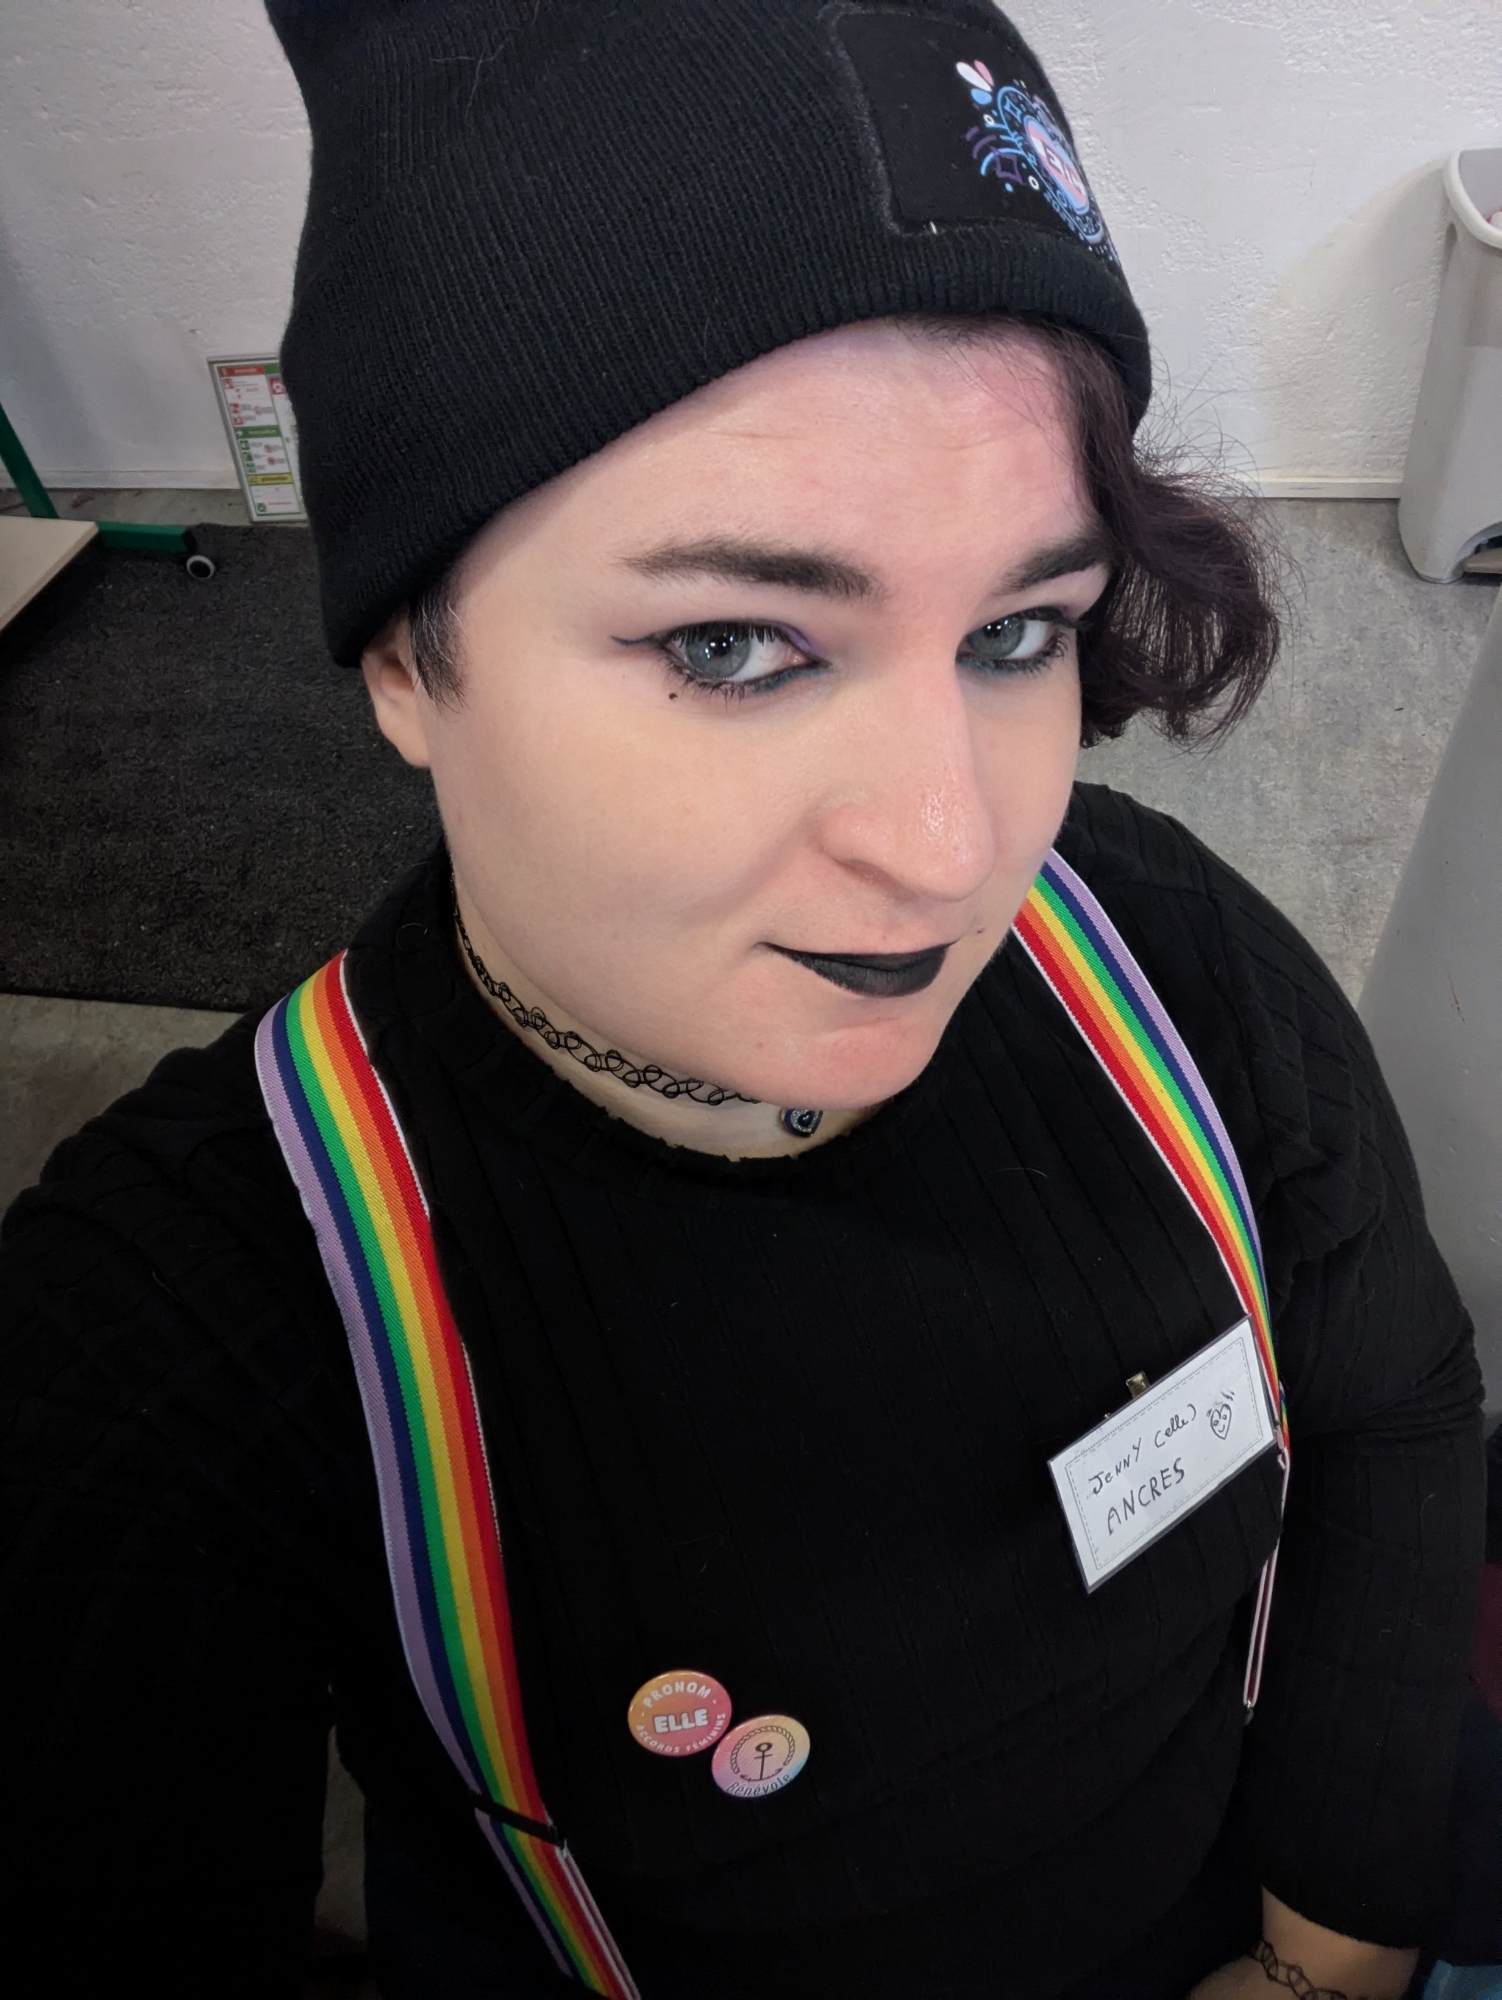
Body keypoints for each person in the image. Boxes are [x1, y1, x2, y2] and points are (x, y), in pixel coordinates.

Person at [0, 4, 1486, 1997]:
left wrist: (1328, 1950)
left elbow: (1390, 1401)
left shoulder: (1160, 949)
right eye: (733, 643)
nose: (951, 846)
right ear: (407, 659)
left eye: (1014, 632)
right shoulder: (186, 1326)